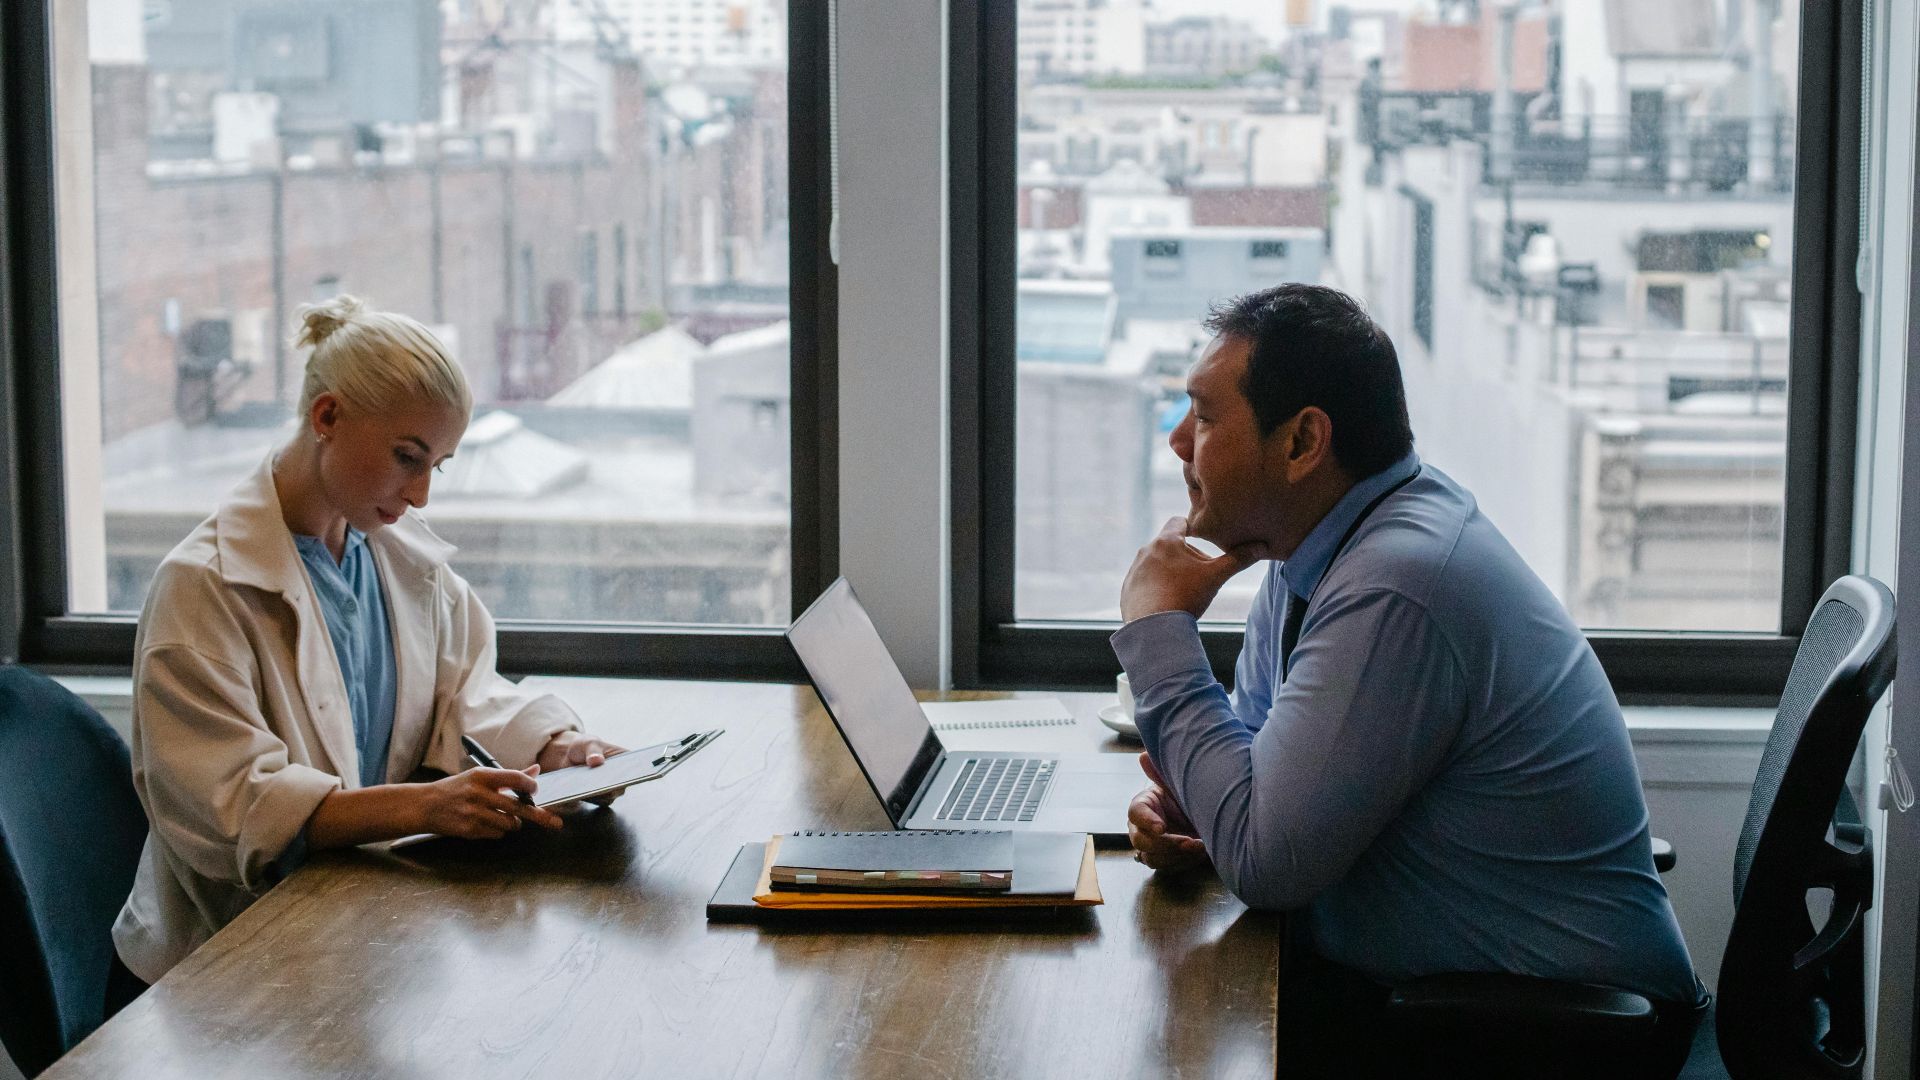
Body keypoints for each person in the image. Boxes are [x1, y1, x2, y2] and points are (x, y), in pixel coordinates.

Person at [1113, 284, 1704, 1073]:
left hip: (1557, 1037)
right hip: (1440, 1004)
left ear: (1301, 443)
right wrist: (1201, 810)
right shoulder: (1310, 554)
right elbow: (1258, 783)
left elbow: (1268, 864)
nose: (1179, 441)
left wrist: (1159, 631)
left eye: (1207, 416)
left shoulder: (1398, 585)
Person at [112, 296, 627, 986]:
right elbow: (232, 805)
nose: (419, 497)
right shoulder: (203, 588)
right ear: (327, 417)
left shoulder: (390, 551)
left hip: (351, 934)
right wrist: (421, 807)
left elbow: (461, 692)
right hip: (221, 964)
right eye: (406, 458)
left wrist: (554, 748)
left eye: (436, 466)